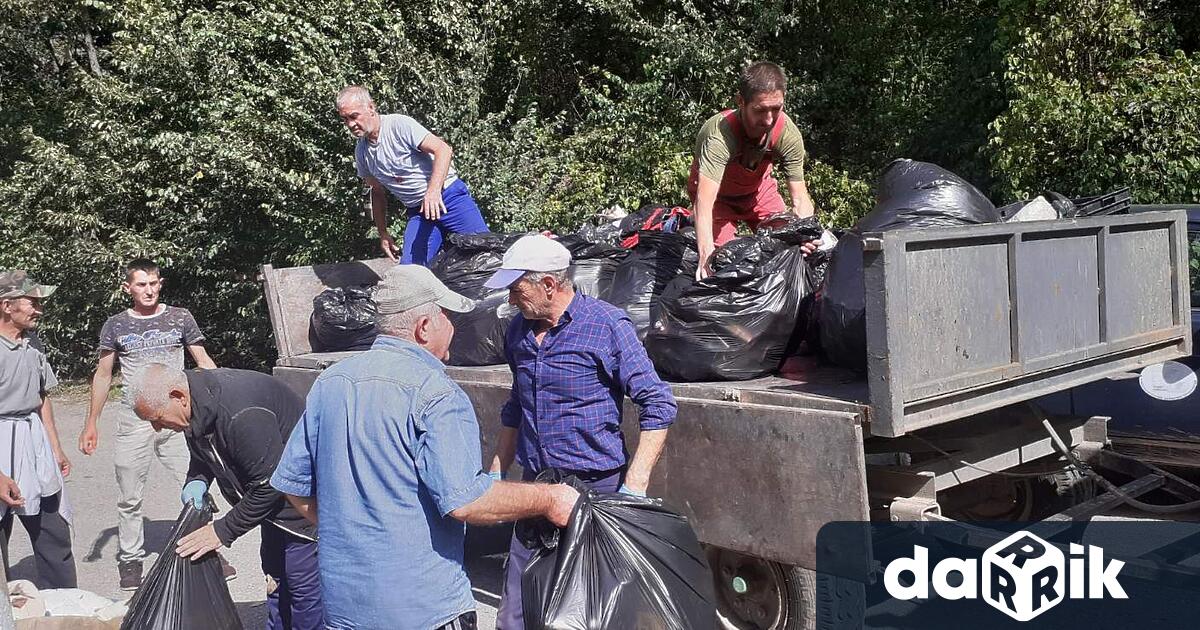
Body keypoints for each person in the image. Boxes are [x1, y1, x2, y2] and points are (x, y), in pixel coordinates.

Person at [270, 265, 579, 630]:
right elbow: (466, 501)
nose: (453, 327)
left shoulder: (331, 382)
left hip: (345, 607)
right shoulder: (436, 393)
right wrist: (551, 499)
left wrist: (352, 532)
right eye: (447, 316)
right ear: (424, 328)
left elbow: (294, 485)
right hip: (423, 611)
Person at [480, 235, 678, 630]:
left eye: (517, 290)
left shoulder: (606, 325)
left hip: (594, 491)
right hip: (535, 488)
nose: (511, 300)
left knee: (592, 613)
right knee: (515, 613)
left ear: (549, 285)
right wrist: (496, 471)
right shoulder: (518, 332)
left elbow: (658, 404)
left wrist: (634, 487)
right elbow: (516, 404)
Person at [129, 364, 323, 630]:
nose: (157, 428)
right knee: (276, 578)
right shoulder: (196, 409)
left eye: (157, 418)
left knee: (303, 589)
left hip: (302, 510)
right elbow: (205, 455)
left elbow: (272, 484)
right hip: (271, 509)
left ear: (178, 396)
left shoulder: (241, 413)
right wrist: (196, 481)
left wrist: (221, 531)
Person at [76, 259, 222, 590]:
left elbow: (203, 361)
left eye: (154, 283)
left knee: (195, 486)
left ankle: (209, 547)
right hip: (135, 418)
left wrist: (220, 399)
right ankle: (130, 558)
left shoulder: (180, 317)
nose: (149, 290)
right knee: (129, 495)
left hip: (175, 415)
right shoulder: (115, 325)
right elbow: (103, 374)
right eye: (141, 284)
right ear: (128, 288)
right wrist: (91, 423)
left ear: (161, 283)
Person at [689, 61, 818, 279]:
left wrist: (805, 234)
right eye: (760, 110)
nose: (768, 120)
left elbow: (800, 198)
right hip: (717, 200)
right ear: (741, 102)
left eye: (776, 109)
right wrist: (705, 255)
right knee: (727, 262)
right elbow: (704, 201)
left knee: (787, 246)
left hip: (758, 192)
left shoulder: (787, 134)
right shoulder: (720, 136)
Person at [336, 85, 490, 265]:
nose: (350, 124)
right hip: (419, 211)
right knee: (410, 273)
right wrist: (383, 233)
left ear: (371, 107)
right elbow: (376, 191)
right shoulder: (362, 152)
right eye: (345, 119)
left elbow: (443, 149)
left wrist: (433, 192)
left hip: (449, 197)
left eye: (354, 116)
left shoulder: (399, 125)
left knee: (486, 255)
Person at [0, 270, 76, 588]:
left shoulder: (34, 342)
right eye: (32, 302)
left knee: (52, 527)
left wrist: (55, 448)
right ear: (6, 305)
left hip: (33, 439)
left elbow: (41, 397)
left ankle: (65, 607)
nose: (39, 310)